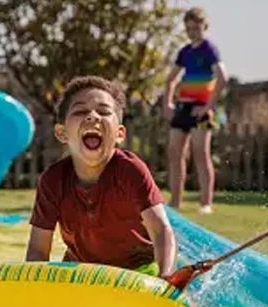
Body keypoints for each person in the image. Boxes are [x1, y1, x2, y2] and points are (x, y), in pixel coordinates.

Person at [25, 76, 176, 279]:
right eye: (80, 111)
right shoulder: (53, 181)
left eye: (104, 111)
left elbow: (160, 231)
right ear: (62, 133)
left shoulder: (130, 170)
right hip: (81, 273)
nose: (93, 116)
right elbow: (38, 249)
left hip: (137, 272)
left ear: (120, 133)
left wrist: (166, 275)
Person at [163, 6, 229, 213]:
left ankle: (206, 203)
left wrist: (208, 106)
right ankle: (175, 201)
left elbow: (222, 77)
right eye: (189, 28)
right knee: (175, 153)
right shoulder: (185, 52)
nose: (193, 32)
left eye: (196, 28)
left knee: (201, 153)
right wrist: (167, 103)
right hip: (183, 107)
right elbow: (170, 80)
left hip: (201, 110)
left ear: (204, 26)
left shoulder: (210, 49)